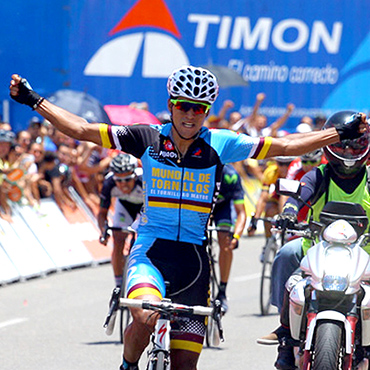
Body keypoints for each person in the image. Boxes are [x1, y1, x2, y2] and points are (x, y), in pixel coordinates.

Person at [9, 69, 366, 370]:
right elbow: (82, 129)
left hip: (194, 261)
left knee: (184, 365)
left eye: (198, 109)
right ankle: (129, 365)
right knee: (146, 316)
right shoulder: (145, 138)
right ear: (171, 106)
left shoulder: (220, 143)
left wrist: (338, 134)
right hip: (151, 252)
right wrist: (34, 100)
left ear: (206, 111)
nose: (190, 115)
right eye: (183, 106)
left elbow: (285, 147)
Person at [257, 111, 370, 370]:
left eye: (356, 144)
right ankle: (285, 335)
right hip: (317, 252)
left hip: (365, 258)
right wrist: (287, 213)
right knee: (286, 253)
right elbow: (298, 196)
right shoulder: (319, 175)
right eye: (343, 143)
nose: (350, 150)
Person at [98, 153, 143, 289]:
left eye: (127, 180)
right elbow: (102, 213)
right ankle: (118, 286)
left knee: (144, 239)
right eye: (119, 180)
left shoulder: (146, 179)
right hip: (125, 205)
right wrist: (103, 231)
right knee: (118, 239)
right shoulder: (109, 182)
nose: (123, 185)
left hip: (145, 208)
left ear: (135, 175)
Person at [211, 163, 246, 312]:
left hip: (222, 208)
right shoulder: (200, 168)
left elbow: (241, 213)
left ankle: (222, 290)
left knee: (225, 243)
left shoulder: (230, 176)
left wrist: (236, 236)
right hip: (201, 206)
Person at [247, 156, 296, 241]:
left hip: (295, 198)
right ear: (276, 163)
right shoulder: (271, 172)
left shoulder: (297, 170)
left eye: (287, 164)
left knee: (284, 197)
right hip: (278, 198)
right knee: (269, 210)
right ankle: (268, 241)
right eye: (281, 164)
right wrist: (255, 218)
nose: (284, 167)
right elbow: (263, 197)